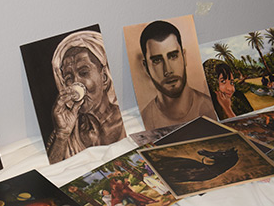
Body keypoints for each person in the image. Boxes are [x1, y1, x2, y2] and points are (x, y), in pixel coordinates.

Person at [46, 31, 126, 164]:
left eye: (83, 73)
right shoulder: (65, 132)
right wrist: (62, 135)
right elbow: (52, 169)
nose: (75, 84)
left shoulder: (125, 122)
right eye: (68, 78)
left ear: (104, 78)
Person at [139, 20, 216, 130]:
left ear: (184, 57)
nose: (168, 70)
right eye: (157, 61)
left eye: (173, 56)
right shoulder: (144, 121)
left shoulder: (210, 108)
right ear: (146, 67)